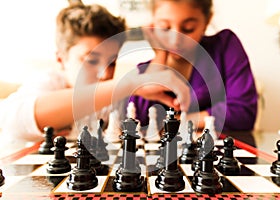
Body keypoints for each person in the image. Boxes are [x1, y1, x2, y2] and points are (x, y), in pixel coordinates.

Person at [0, 2, 190, 147]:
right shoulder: (48, 83)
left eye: (112, 62)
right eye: (91, 60)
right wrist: (127, 84)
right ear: (60, 59)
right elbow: (13, 120)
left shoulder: (110, 102)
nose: (104, 73)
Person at [129, 0, 258, 133]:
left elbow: (243, 113)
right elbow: (136, 121)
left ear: (207, 21)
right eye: (165, 28)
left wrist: (178, 122)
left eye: (188, 28)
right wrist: (159, 57)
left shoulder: (224, 47)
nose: (175, 40)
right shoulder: (144, 71)